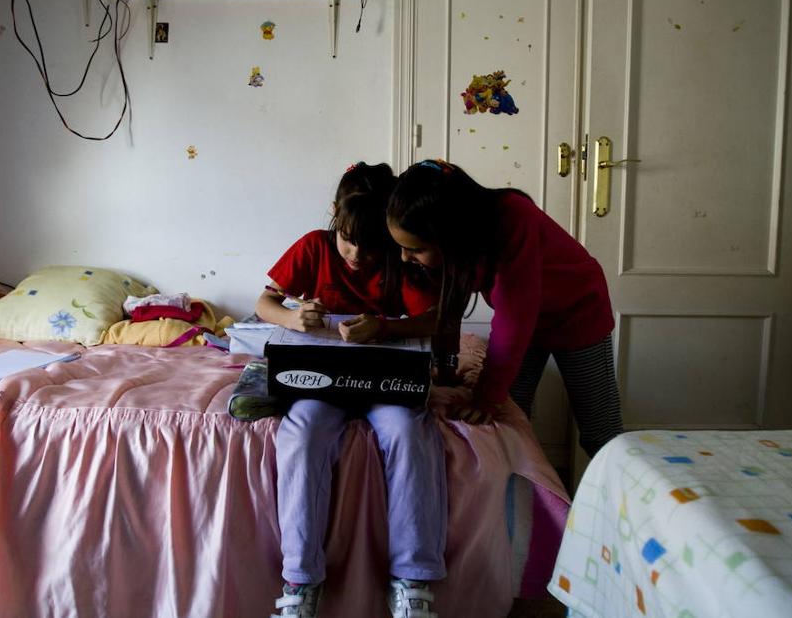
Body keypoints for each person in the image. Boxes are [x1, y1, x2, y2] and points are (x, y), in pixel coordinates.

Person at [255, 162, 444, 618]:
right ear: (334, 220)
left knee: (407, 431)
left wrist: (384, 327)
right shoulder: (313, 247)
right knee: (302, 433)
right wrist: (291, 317)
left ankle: (412, 582)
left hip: (385, 378)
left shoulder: (401, 257)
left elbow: (436, 318)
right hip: (321, 378)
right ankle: (299, 583)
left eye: (370, 245)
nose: (357, 254)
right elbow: (264, 303)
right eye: (347, 239)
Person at [386, 158, 623, 457]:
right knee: (510, 413)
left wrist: (486, 397)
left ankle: (627, 498)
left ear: (451, 236)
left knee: (600, 431)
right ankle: (519, 494)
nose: (405, 258)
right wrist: (445, 365)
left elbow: (515, 317)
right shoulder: (454, 248)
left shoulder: (514, 218)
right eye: (401, 248)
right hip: (530, 323)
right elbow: (448, 306)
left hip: (577, 312)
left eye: (415, 250)